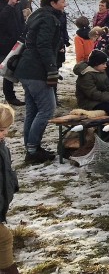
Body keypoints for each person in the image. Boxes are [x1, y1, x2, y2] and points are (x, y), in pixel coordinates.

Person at [14, 0, 67, 163]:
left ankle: (31, 148)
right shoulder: (49, 18)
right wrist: (52, 68)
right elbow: (43, 45)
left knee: (33, 110)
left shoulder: (36, 15)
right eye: (62, 1)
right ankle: (33, 150)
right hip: (36, 71)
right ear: (52, 3)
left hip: (26, 69)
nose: (64, 4)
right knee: (47, 109)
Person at [74, 50, 109, 116]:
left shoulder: (101, 71)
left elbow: (108, 87)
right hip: (88, 102)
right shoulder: (86, 75)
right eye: (103, 64)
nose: (105, 66)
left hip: (101, 99)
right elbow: (92, 93)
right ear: (95, 64)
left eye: (105, 63)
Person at [0, 103, 20, 274]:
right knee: (4, 238)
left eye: (6, 129)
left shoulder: (2, 148)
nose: (5, 133)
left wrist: (13, 183)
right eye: (1, 130)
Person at [0, 0, 25, 106]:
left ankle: (10, 97)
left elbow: (21, 22)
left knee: (9, 71)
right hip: (2, 43)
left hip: (15, 43)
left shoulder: (18, 5)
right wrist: (9, 6)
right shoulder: (5, 5)